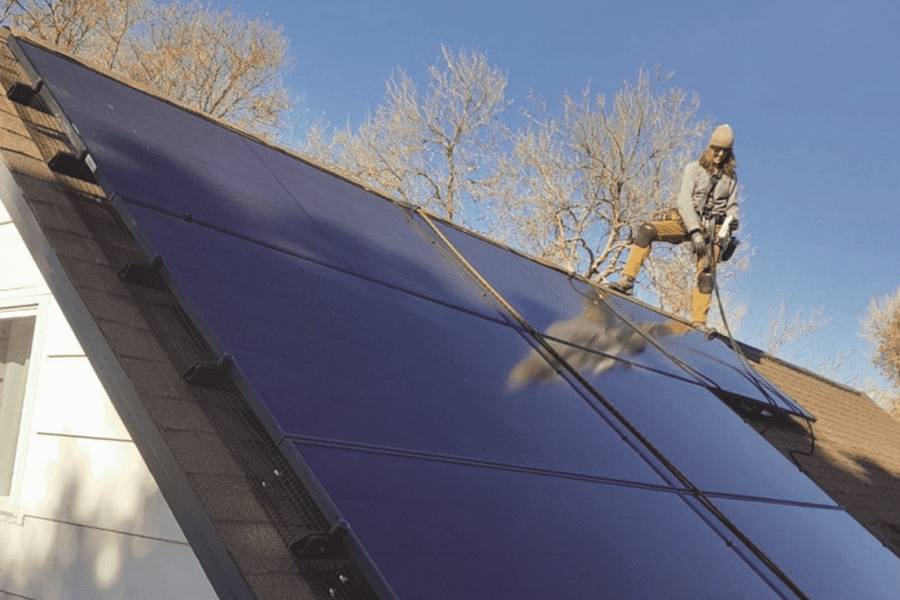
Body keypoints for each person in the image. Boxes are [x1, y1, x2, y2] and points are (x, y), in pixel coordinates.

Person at [609, 124, 739, 327]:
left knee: (706, 273)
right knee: (647, 230)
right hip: (686, 222)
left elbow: (732, 209)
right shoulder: (693, 169)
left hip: (713, 231)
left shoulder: (730, 179)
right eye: (716, 149)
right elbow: (684, 201)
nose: (720, 154)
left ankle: (699, 321)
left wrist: (727, 228)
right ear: (710, 147)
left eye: (725, 151)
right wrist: (694, 230)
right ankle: (626, 280)